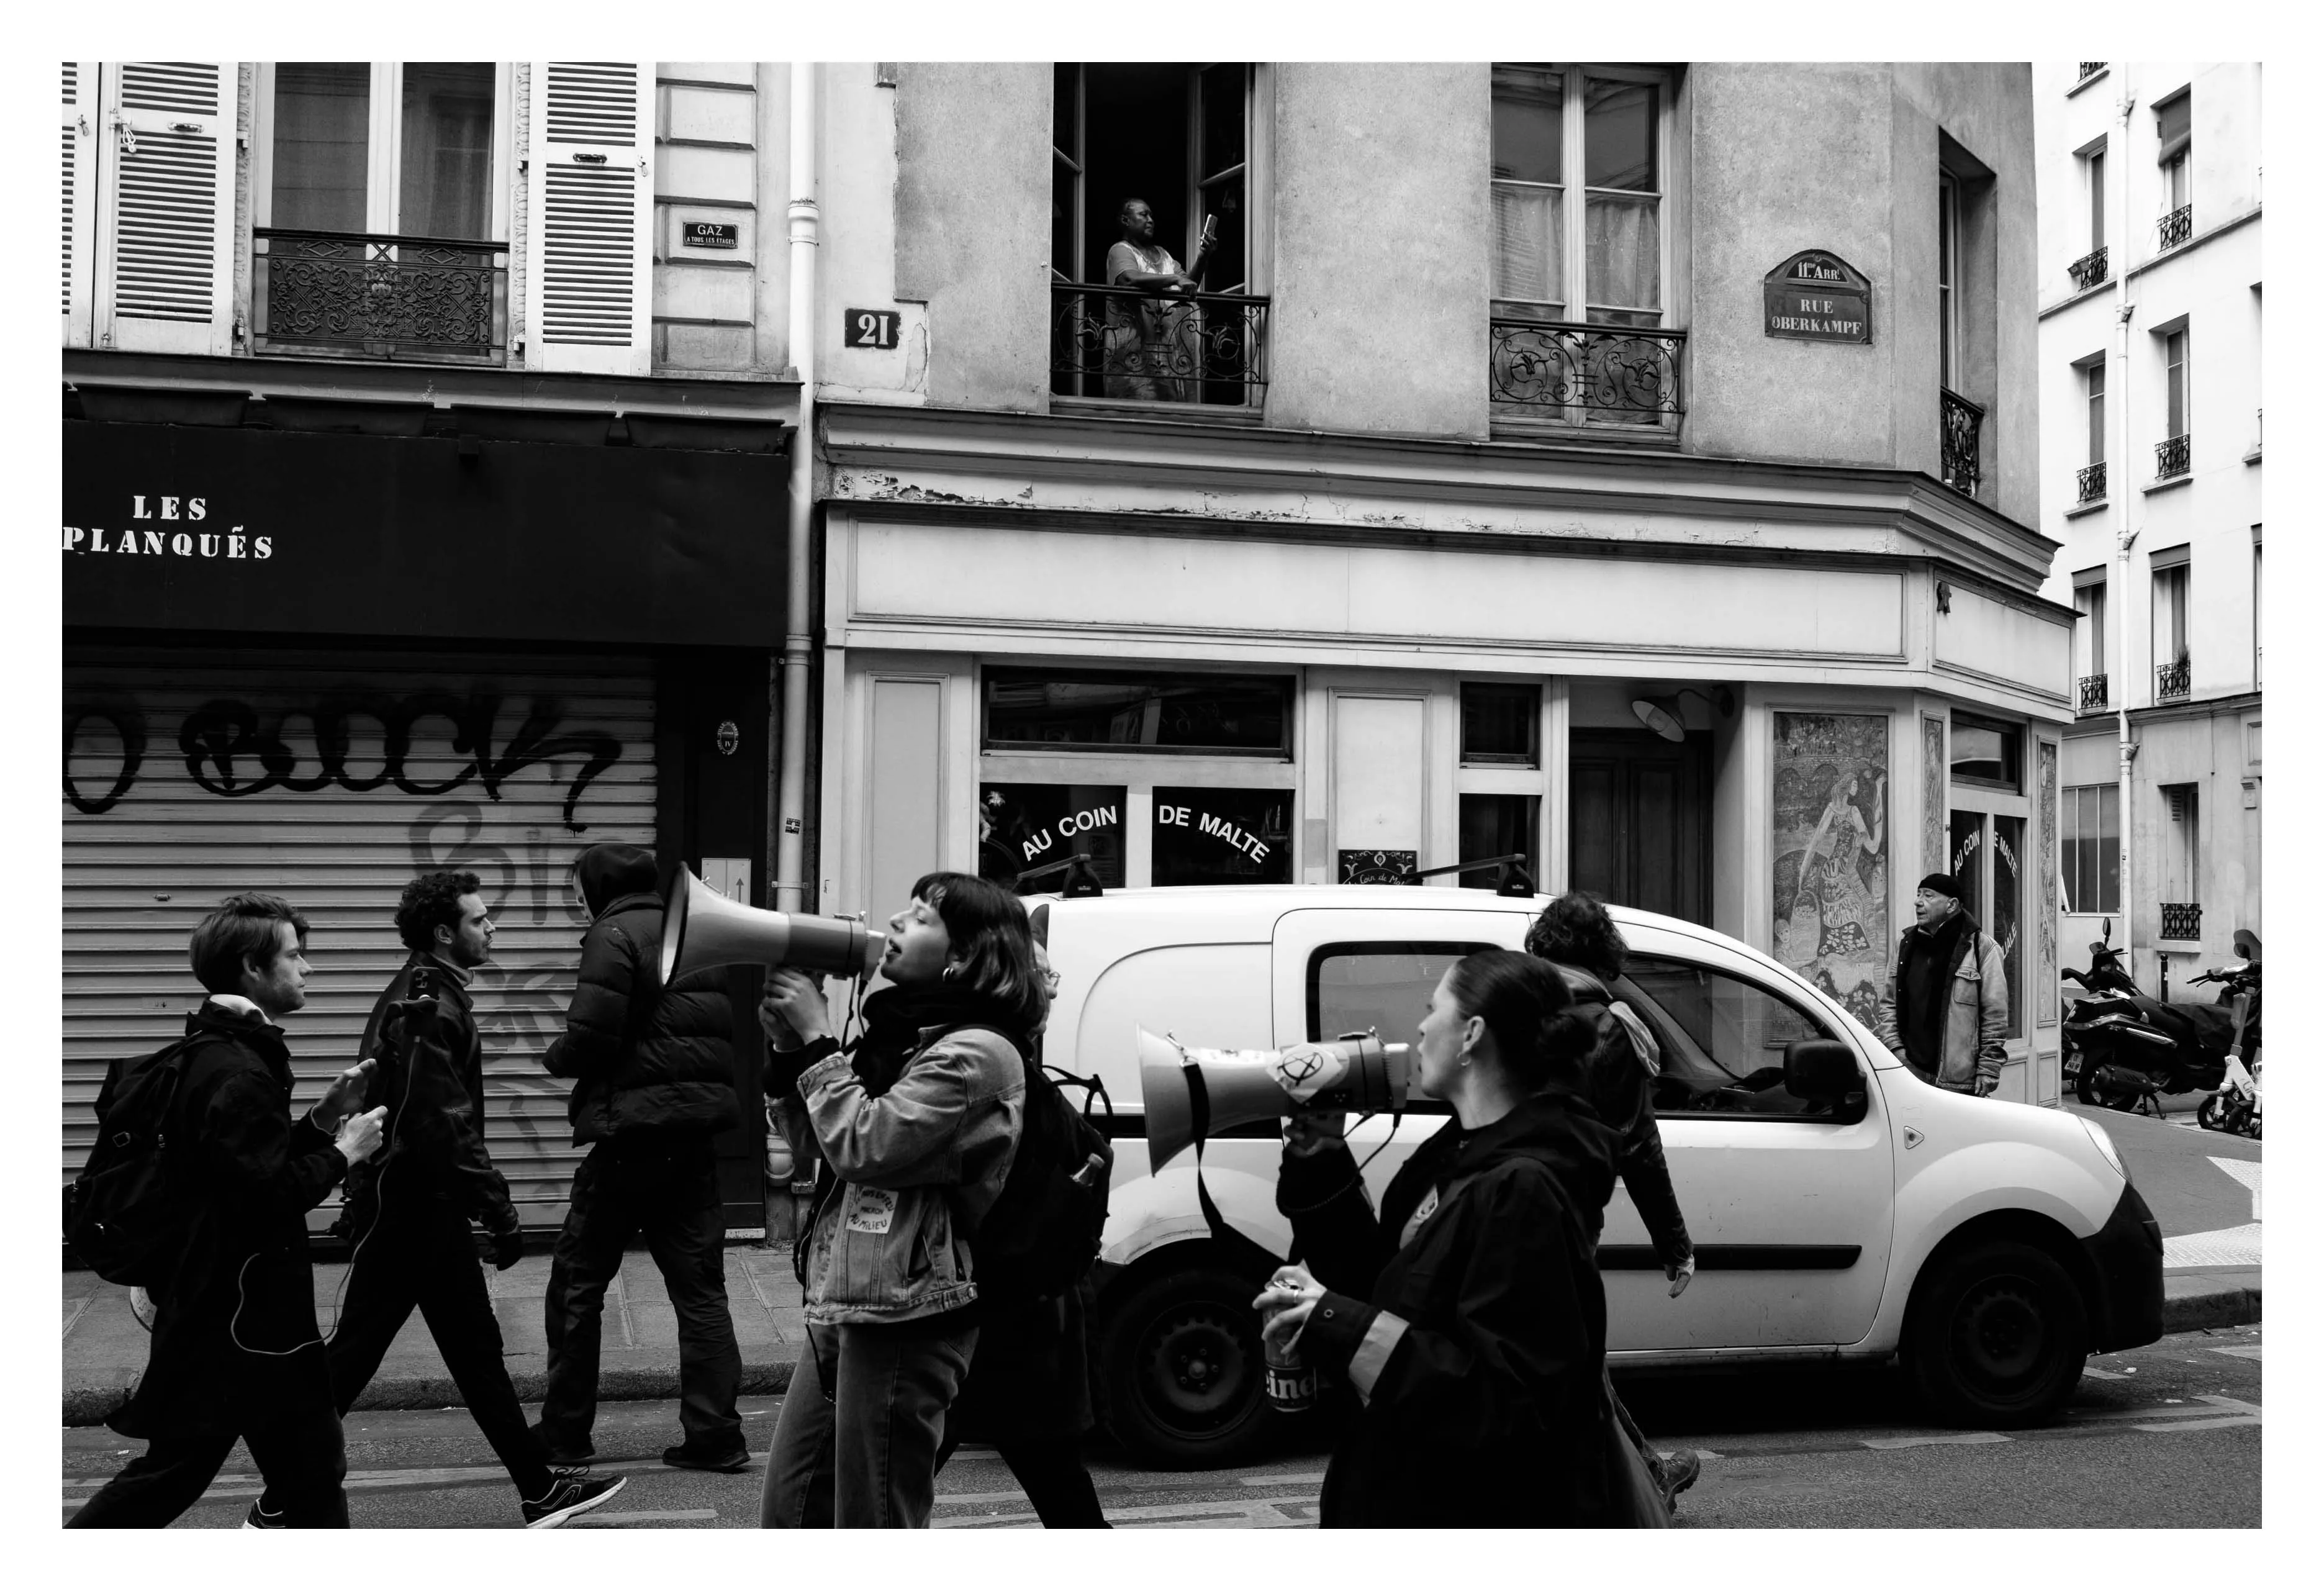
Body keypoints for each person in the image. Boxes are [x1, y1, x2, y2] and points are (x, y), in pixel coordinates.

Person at [250, 872, 625, 1528]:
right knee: (381, 1355)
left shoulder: (426, 995)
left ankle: (537, 1491)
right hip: (417, 1208)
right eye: (480, 920)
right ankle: (282, 1500)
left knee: (452, 1354)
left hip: (413, 1204)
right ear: (445, 933)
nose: (492, 927)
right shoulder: (429, 1006)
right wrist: (498, 1207)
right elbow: (440, 1119)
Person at [1254, 950, 1627, 1527]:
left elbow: (1509, 1402)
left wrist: (1341, 1324)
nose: (1422, 1027)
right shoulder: (1459, 1154)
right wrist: (1320, 1159)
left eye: (1434, 1010)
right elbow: (1391, 1288)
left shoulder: (1523, 1190)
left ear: (1471, 1035)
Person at [68, 893, 386, 1528]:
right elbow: (266, 1199)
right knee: (191, 1474)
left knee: (295, 1475)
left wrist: (322, 1119)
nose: (307, 968)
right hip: (249, 1321)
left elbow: (239, 1169)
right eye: (294, 956)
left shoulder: (213, 1052)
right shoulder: (239, 1070)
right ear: (252, 967)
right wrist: (344, 1153)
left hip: (231, 1311)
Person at [756, 873, 1033, 1529]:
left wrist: (818, 1040)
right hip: (851, 1294)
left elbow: (865, 1145)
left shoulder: (974, 1054)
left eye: (921, 917)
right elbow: (819, 1146)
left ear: (964, 954)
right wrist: (789, 1048)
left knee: (873, 1517)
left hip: (911, 1310)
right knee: (790, 1509)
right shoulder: (899, 1036)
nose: (898, 922)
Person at [535, 844, 748, 1472]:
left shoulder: (613, 934)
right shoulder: (695, 934)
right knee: (701, 1292)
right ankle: (716, 1436)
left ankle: (565, 1432)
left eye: (580, 890)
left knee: (577, 1284)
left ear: (598, 887)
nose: (579, 901)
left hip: (631, 1140)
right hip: (693, 1141)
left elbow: (593, 1034)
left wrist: (556, 1057)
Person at [1524, 891, 1702, 1511]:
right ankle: (1640, 1484)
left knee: (1567, 1358)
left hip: (1495, 1208)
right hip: (1565, 1220)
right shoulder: (1608, 1027)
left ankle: (1643, 1473)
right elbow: (1638, 1147)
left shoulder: (1504, 1012)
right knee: (1573, 1359)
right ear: (1603, 953)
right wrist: (1675, 1246)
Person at [931, 938, 1110, 1528]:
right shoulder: (1008, 1070)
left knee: (888, 1484)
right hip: (1014, 1316)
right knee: (1061, 1491)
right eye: (1045, 974)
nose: (1054, 988)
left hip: (1004, 1316)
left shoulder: (1006, 1069)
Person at [1876, 873, 2008, 1097]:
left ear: (1951, 905)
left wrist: (1989, 1068)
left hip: (1959, 1081)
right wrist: (1896, 1050)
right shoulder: (1905, 945)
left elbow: (1995, 1016)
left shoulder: (1982, 949)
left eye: (1928, 896)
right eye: (1918, 895)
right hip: (1910, 1073)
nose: (1918, 902)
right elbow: (1889, 1004)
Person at [1101, 197, 1211, 401]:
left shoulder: (1163, 255)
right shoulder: (1121, 250)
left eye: (1151, 215)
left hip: (1168, 356)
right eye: (1143, 215)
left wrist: (1203, 257)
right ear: (1126, 220)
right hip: (1134, 356)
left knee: (1172, 410)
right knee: (1138, 408)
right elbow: (1129, 278)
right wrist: (1174, 279)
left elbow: (1188, 285)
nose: (1150, 220)